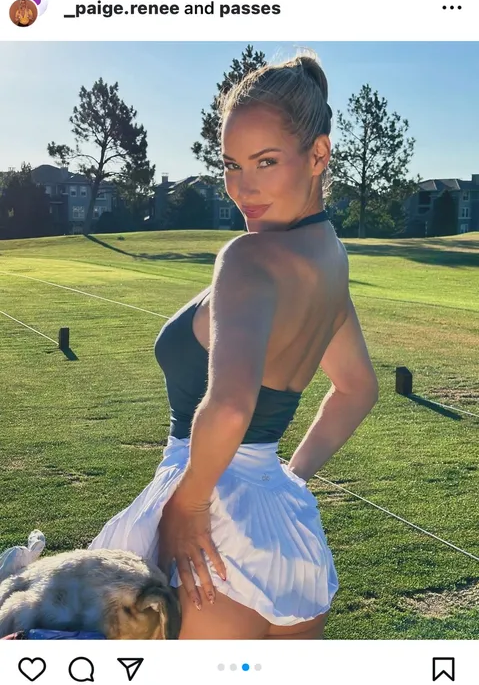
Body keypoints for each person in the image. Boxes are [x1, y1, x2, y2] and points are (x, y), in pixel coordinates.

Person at [89, 51, 379, 639]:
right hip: (288, 535)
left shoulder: (248, 258)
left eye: (266, 161)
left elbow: (228, 406)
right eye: (231, 164)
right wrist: (290, 476)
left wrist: (189, 506)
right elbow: (358, 388)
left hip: (212, 534)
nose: (242, 187)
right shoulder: (329, 263)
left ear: (318, 155)